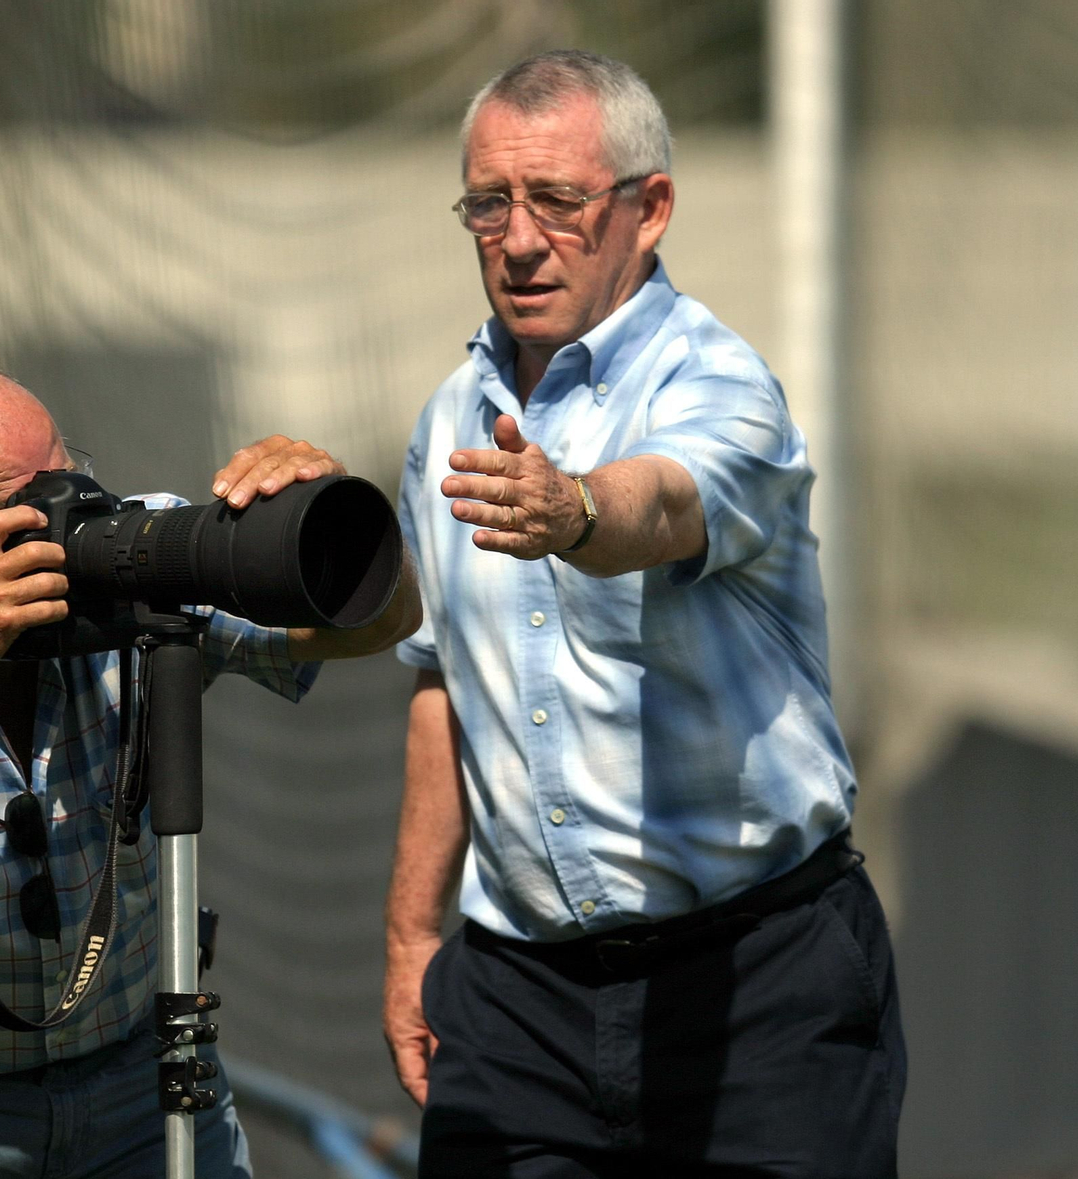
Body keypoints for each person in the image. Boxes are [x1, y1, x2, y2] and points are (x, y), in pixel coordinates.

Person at [385, 50, 905, 1177]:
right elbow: (442, 682)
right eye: (488, 203)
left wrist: (573, 508)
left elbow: (664, 501)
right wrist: (411, 937)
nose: (517, 240)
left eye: (557, 203)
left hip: (753, 986)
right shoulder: (446, 419)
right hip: (514, 1002)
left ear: (647, 208)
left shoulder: (718, 383)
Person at [0, 361, 421, 1179]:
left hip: (135, 1076)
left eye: (70, 471)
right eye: (22, 509)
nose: (71, 517)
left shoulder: (135, 550)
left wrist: (324, 518)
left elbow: (381, 622)